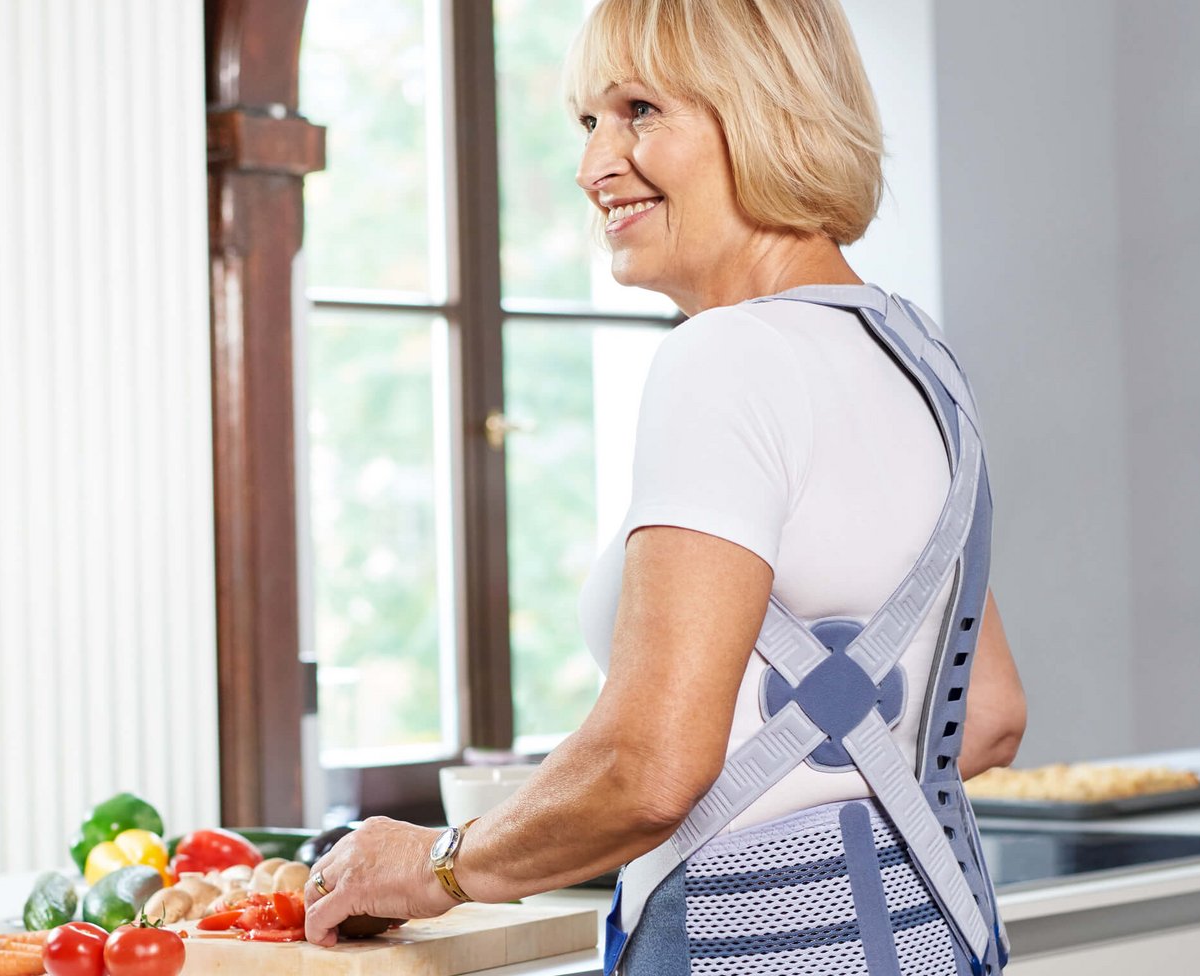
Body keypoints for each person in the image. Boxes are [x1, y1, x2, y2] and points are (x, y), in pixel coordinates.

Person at [300, 1, 1029, 973]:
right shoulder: (913, 356)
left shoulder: (727, 355)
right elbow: (988, 714)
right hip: (932, 936)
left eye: (639, 110)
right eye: (588, 121)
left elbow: (647, 770)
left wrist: (436, 863)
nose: (592, 165)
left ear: (769, 111)